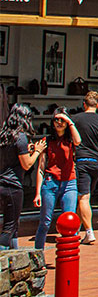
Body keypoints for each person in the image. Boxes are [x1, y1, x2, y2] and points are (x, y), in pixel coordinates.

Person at [34, 111, 81, 250]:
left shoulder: (71, 140)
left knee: (70, 220)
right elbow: (41, 168)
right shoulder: (47, 141)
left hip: (69, 182)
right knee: (45, 222)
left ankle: (70, 255)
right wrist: (37, 192)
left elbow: (78, 140)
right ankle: (38, 255)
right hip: (51, 182)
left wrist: (69, 121)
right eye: (56, 120)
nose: (59, 123)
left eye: (62, 120)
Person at [0, 104, 45, 249]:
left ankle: (15, 254)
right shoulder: (20, 137)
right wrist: (37, 151)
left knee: (13, 225)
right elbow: (27, 165)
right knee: (9, 227)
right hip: (13, 186)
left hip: (1, 183)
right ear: (25, 118)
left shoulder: (3, 135)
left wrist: (28, 150)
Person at [73, 91, 98, 244]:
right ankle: (77, 228)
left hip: (82, 161)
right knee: (85, 198)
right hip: (96, 163)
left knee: (83, 198)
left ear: (84, 104)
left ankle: (89, 231)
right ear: (97, 105)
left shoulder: (76, 120)